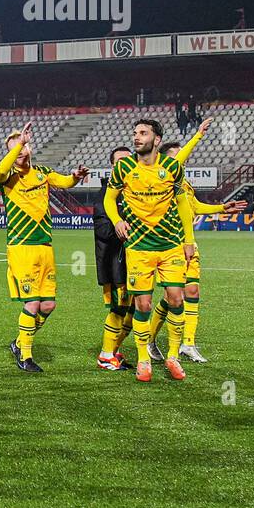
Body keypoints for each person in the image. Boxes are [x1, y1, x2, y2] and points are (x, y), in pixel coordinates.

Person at [104, 118, 202, 383]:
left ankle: (173, 356)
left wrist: (188, 241)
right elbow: (109, 199)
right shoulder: (123, 167)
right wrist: (116, 220)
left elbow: (183, 203)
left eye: (143, 133)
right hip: (138, 248)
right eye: (135, 132)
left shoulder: (171, 167)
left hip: (170, 245)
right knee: (142, 304)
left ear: (156, 139)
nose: (137, 137)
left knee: (176, 300)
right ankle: (143, 360)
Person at [144, 128, 247, 364]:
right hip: (171, 245)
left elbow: (196, 207)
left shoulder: (183, 183)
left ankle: (187, 344)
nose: (184, 159)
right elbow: (179, 159)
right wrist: (198, 135)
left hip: (189, 243)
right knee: (173, 297)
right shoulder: (161, 177)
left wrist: (222, 208)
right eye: (178, 156)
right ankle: (149, 338)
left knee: (192, 292)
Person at [0, 123, 89, 373]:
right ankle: (25, 356)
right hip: (22, 247)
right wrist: (17, 146)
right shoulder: (8, 178)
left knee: (48, 306)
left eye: (25, 145)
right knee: (33, 304)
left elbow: (65, 182)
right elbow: (0, 170)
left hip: (45, 248)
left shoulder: (43, 173)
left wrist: (76, 177)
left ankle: (18, 343)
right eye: (15, 147)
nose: (22, 149)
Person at [95, 146, 136, 371]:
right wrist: (125, 228)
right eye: (119, 162)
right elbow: (102, 229)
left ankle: (115, 350)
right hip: (115, 262)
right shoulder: (106, 193)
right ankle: (105, 355)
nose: (123, 165)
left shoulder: (132, 190)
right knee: (119, 309)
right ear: (112, 166)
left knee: (135, 309)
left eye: (127, 161)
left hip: (134, 261)